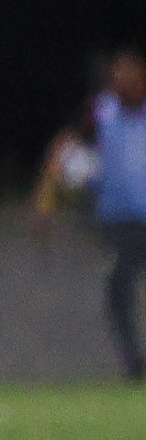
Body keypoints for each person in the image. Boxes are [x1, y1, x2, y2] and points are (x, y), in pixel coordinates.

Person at [36, 48, 146, 382]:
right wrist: (46, 200)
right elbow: (65, 147)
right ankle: (133, 362)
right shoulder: (101, 112)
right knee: (119, 286)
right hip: (118, 222)